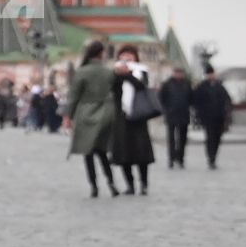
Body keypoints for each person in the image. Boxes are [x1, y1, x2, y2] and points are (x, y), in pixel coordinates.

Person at [67, 42, 118, 197]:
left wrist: (70, 115)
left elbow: (74, 97)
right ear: (101, 53)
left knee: (87, 152)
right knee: (102, 152)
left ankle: (94, 186)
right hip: (104, 113)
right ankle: (111, 183)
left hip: (85, 113)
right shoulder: (109, 72)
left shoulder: (82, 72)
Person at [109, 44, 157, 196]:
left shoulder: (141, 71)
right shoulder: (114, 73)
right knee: (124, 154)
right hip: (121, 117)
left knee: (142, 153)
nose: (126, 58)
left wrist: (128, 74)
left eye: (129, 55)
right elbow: (112, 90)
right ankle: (129, 184)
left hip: (138, 117)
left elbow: (142, 87)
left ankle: (143, 184)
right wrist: (119, 74)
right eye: (123, 56)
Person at [191, 64, 232, 169]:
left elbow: (227, 99)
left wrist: (227, 114)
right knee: (210, 138)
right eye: (209, 74)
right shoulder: (201, 87)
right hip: (207, 117)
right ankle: (211, 158)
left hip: (219, 117)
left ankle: (214, 156)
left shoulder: (219, 86)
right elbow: (195, 101)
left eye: (212, 74)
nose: (211, 76)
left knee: (217, 138)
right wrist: (199, 115)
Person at [158, 65, 193, 168]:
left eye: (180, 72)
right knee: (171, 139)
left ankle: (180, 158)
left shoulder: (186, 84)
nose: (178, 74)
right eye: (177, 72)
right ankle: (171, 158)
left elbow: (191, 98)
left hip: (184, 114)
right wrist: (166, 109)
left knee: (182, 139)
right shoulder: (167, 84)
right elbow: (161, 98)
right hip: (171, 114)